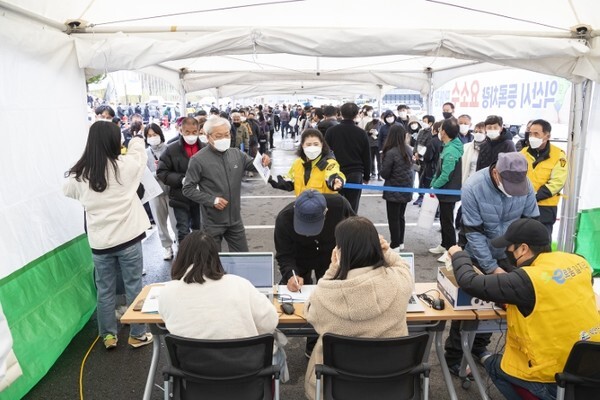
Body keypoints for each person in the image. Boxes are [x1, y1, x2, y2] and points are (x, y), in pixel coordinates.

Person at [448, 218, 600, 400]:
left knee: (494, 365)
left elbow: (469, 282)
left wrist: (459, 254)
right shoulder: (578, 262)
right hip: (590, 369)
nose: (507, 253)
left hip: (551, 380)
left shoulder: (528, 279)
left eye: (510, 248)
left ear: (523, 249)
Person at [444, 152, 539, 375]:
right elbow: (474, 232)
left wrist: (525, 258)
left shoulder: (526, 185)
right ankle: (454, 356)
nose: (513, 189)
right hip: (477, 250)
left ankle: (479, 347)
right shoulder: (473, 187)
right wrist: (491, 267)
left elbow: (530, 222)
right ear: (496, 173)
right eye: (509, 184)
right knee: (470, 305)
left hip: (510, 252)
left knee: (501, 303)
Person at [63, 121, 152, 350]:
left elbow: (67, 190)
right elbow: (139, 153)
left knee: (105, 290)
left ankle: (108, 336)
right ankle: (137, 334)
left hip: (100, 243)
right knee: (134, 286)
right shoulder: (125, 165)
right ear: (114, 141)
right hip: (129, 238)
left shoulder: (79, 175)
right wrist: (135, 136)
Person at [304, 216, 414, 400]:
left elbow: (309, 312)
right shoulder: (398, 282)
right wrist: (385, 251)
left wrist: (332, 268)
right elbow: (402, 266)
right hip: (390, 385)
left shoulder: (324, 294)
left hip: (336, 389)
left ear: (340, 252)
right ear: (376, 247)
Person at [158, 231, 287, 379]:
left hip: (194, 380)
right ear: (215, 257)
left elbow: (167, 321)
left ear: (181, 258)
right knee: (276, 348)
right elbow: (270, 323)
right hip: (246, 377)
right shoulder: (240, 284)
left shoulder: (168, 292)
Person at [182, 117, 270, 251]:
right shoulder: (198, 160)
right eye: (218, 136)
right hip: (212, 223)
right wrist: (212, 200)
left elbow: (255, 165)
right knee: (213, 264)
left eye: (227, 134)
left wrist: (265, 160)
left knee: (243, 257)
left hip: (235, 220)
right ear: (207, 136)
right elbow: (187, 189)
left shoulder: (237, 154)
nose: (224, 138)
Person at [275, 189, 355, 291]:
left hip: (330, 256)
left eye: (314, 226)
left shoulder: (340, 205)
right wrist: (291, 274)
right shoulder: (284, 219)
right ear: (295, 210)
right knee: (297, 288)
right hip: (299, 256)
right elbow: (284, 255)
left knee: (330, 291)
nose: (308, 233)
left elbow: (355, 232)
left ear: (326, 212)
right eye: (303, 226)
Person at [157, 117, 203, 244]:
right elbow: (162, 172)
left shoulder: (205, 148)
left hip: (201, 197)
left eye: (194, 132)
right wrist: (181, 179)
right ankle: (185, 259)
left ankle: (201, 257)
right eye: (187, 132)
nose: (191, 135)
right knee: (183, 231)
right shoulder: (171, 149)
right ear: (181, 130)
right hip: (180, 197)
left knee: (200, 230)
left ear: (199, 131)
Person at [521, 119, 568, 238]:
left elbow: (557, 182)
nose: (532, 137)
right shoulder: (523, 153)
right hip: (522, 205)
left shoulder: (558, 155)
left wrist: (535, 196)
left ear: (547, 136)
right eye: (530, 133)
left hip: (545, 207)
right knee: (522, 241)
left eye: (536, 134)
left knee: (542, 242)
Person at [269, 129, 345, 196]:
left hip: (324, 209)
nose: (312, 147)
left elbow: (333, 175)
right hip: (302, 208)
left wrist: (335, 181)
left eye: (316, 144)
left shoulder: (329, 163)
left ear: (322, 144)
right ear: (302, 145)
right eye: (308, 144)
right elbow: (289, 181)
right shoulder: (298, 163)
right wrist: (269, 177)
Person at [325, 102, 371, 212]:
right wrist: (367, 176)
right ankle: (350, 227)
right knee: (352, 205)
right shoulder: (361, 133)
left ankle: (336, 226)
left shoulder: (331, 131)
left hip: (335, 172)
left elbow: (325, 153)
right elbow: (366, 156)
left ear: (340, 113)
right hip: (355, 173)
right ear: (356, 114)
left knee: (335, 204)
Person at [428, 118, 463, 261]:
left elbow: (445, 175)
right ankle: (444, 244)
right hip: (444, 191)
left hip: (448, 191)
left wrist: (434, 186)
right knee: (444, 219)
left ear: (444, 132)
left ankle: (451, 250)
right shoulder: (449, 146)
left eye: (441, 128)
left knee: (448, 221)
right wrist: (434, 183)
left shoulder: (451, 150)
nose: (439, 131)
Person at [380, 124, 414, 250]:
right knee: (401, 216)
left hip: (393, 189)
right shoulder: (408, 149)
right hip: (406, 188)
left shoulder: (391, 152)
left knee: (393, 218)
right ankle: (400, 241)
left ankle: (395, 244)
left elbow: (385, 173)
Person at [144, 123, 174, 260]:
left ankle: (180, 244)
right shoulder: (144, 154)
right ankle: (167, 247)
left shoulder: (170, 149)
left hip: (172, 191)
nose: (152, 138)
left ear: (160, 134)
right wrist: (158, 172)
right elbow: (143, 174)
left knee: (176, 222)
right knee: (160, 223)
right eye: (149, 136)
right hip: (154, 193)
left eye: (154, 135)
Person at [412, 115, 436, 206]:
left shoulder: (431, 133)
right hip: (418, 160)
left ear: (430, 123)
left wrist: (420, 154)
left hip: (425, 159)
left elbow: (428, 146)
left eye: (425, 121)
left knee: (425, 179)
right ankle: (420, 196)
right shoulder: (421, 131)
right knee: (419, 178)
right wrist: (415, 153)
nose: (423, 122)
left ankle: (424, 197)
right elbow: (417, 143)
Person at [365, 114, 382, 180]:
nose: (375, 118)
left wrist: (378, 134)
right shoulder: (369, 124)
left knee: (379, 161)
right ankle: (372, 173)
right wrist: (369, 132)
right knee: (371, 160)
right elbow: (365, 131)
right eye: (374, 116)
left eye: (376, 116)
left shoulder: (381, 124)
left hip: (378, 145)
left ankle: (379, 174)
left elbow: (383, 134)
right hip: (370, 144)